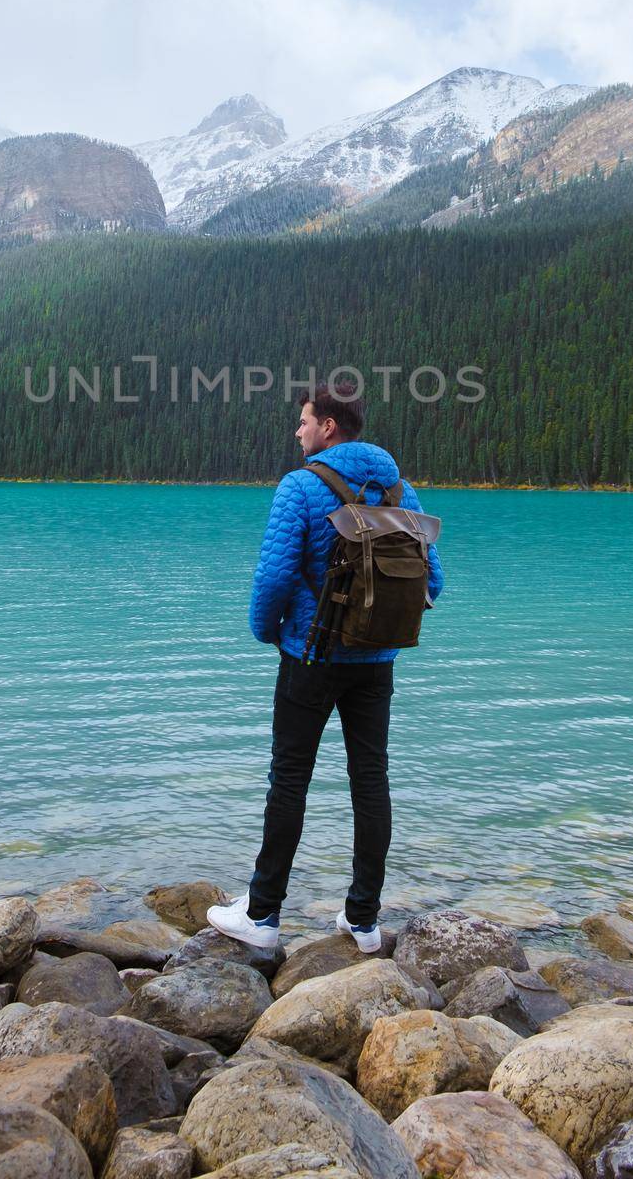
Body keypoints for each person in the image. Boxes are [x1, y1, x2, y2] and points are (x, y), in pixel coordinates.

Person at [206, 382, 444, 954]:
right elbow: (432, 581)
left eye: (304, 420)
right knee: (371, 781)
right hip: (378, 661)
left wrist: (268, 633)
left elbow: (273, 579)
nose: (298, 430)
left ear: (329, 427)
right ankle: (363, 922)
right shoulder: (398, 488)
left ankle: (262, 914)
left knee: (289, 780)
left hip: (310, 657)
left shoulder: (301, 486)